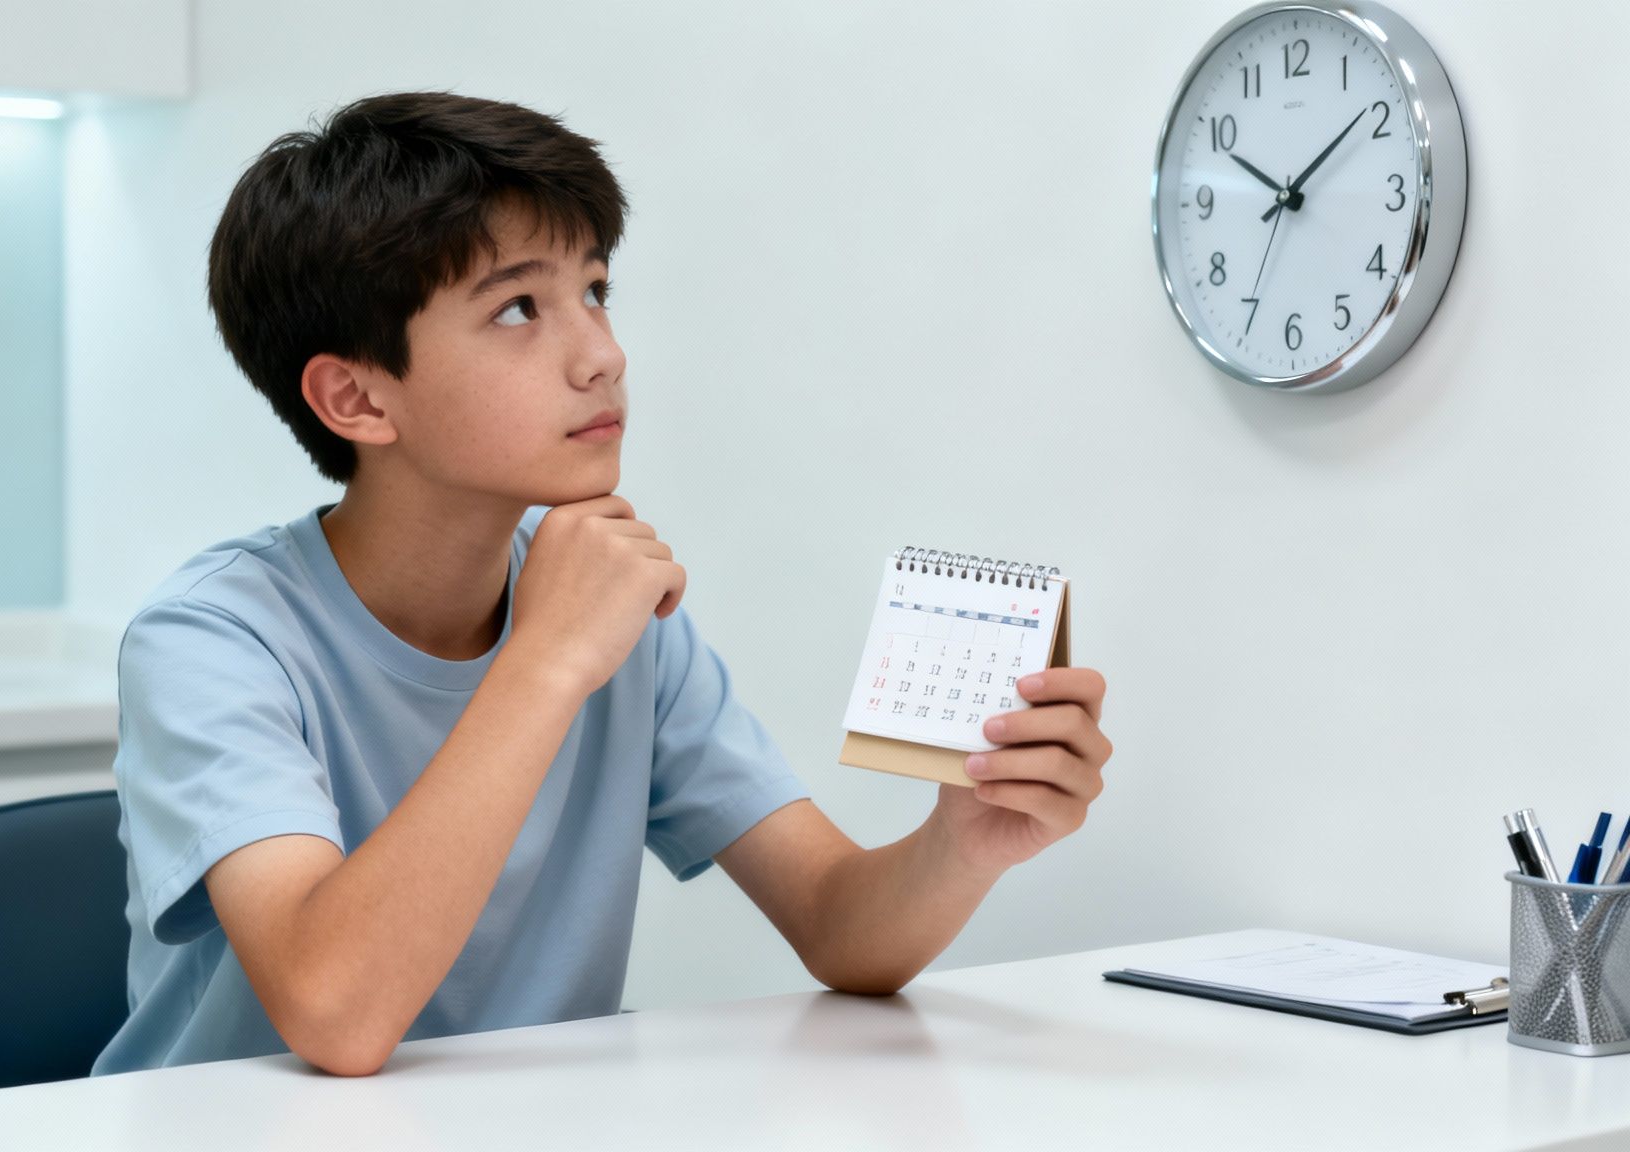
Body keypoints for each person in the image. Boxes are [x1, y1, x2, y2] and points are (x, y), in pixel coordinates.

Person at [92, 91, 1112, 1078]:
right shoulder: (210, 641)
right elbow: (336, 1016)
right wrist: (545, 662)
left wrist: (960, 843)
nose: (602, 356)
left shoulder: (608, 611)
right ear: (354, 396)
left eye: (595, 291)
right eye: (517, 308)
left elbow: (840, 928)